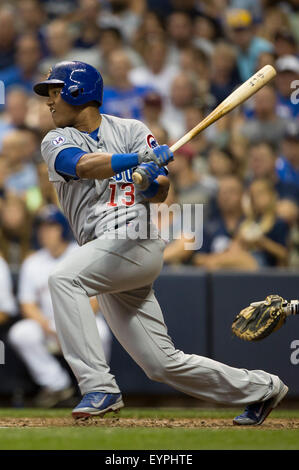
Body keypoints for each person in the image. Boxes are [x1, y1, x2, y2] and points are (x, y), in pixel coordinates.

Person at [33, 60, 288, 425]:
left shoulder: (132, 128)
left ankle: (98, 386)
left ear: (79, 92)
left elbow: (161, 191)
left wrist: (148, 181)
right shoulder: (55, 139)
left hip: (133, 240)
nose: (50, 101)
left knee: (63, 279)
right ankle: (263, 388)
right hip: (104, 254)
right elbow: (84, 165)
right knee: (161, 363)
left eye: (56, 92)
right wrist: (138, 161)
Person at [8, 205, 112, 407]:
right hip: (48, 323)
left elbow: (97, 297)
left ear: (62, 229)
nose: (45, 232)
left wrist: (69, 324)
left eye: (51, 227)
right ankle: (57, 385)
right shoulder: (33, 261)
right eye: (42, 227)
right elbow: (27, 303)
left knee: (102, 332)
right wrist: (47, 324)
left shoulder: (81, 253)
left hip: (81, 321)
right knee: (21, 333)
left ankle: (98, 387)